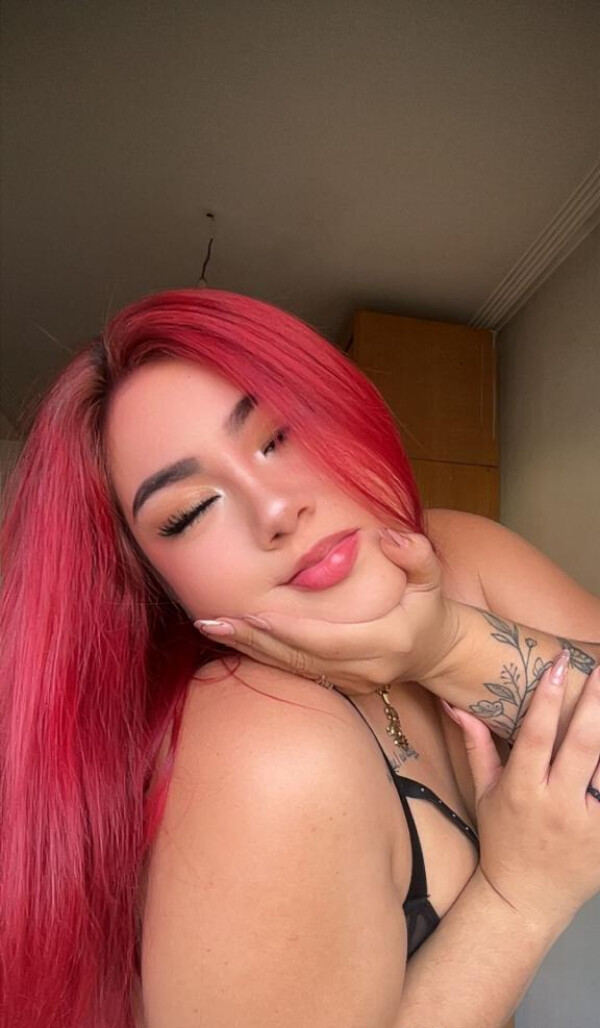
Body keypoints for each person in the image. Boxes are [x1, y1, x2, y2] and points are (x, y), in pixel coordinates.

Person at [0, 288, 598, 1028]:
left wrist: (445, 644)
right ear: (155, 587)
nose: (276, 509)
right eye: (189, 512)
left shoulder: (462, 552)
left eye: (280, 435)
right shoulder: (262, 748)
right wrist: (518, 900)